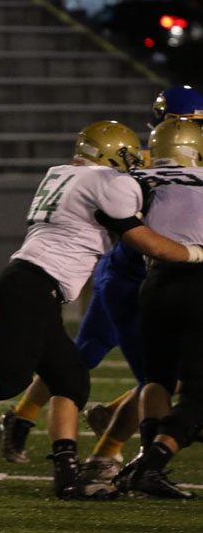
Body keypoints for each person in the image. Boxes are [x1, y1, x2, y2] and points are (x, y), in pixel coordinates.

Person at [0, 120, 203, 500]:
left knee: (71, 379)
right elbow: (145, 241)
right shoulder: (110, 182)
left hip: (28, 283)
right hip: (33, 286)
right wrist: (194, 252)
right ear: (111, 153)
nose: (130, 165)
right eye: (126, 157)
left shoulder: (59, 174)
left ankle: (66, 474)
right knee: (7, 377)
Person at [0, 85, 203, 477]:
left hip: (141, 276)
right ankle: (110, 454)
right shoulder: (135, 169)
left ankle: (30, 420)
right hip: (134, 275)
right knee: (151, 375)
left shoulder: (146, 165)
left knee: (103, 360)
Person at [111, 117, 203, 499]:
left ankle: (146, 460)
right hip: (199, 279)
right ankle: (153, 463)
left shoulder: (139, 179)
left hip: (154, 282)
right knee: (200, 393)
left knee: (157, 378)